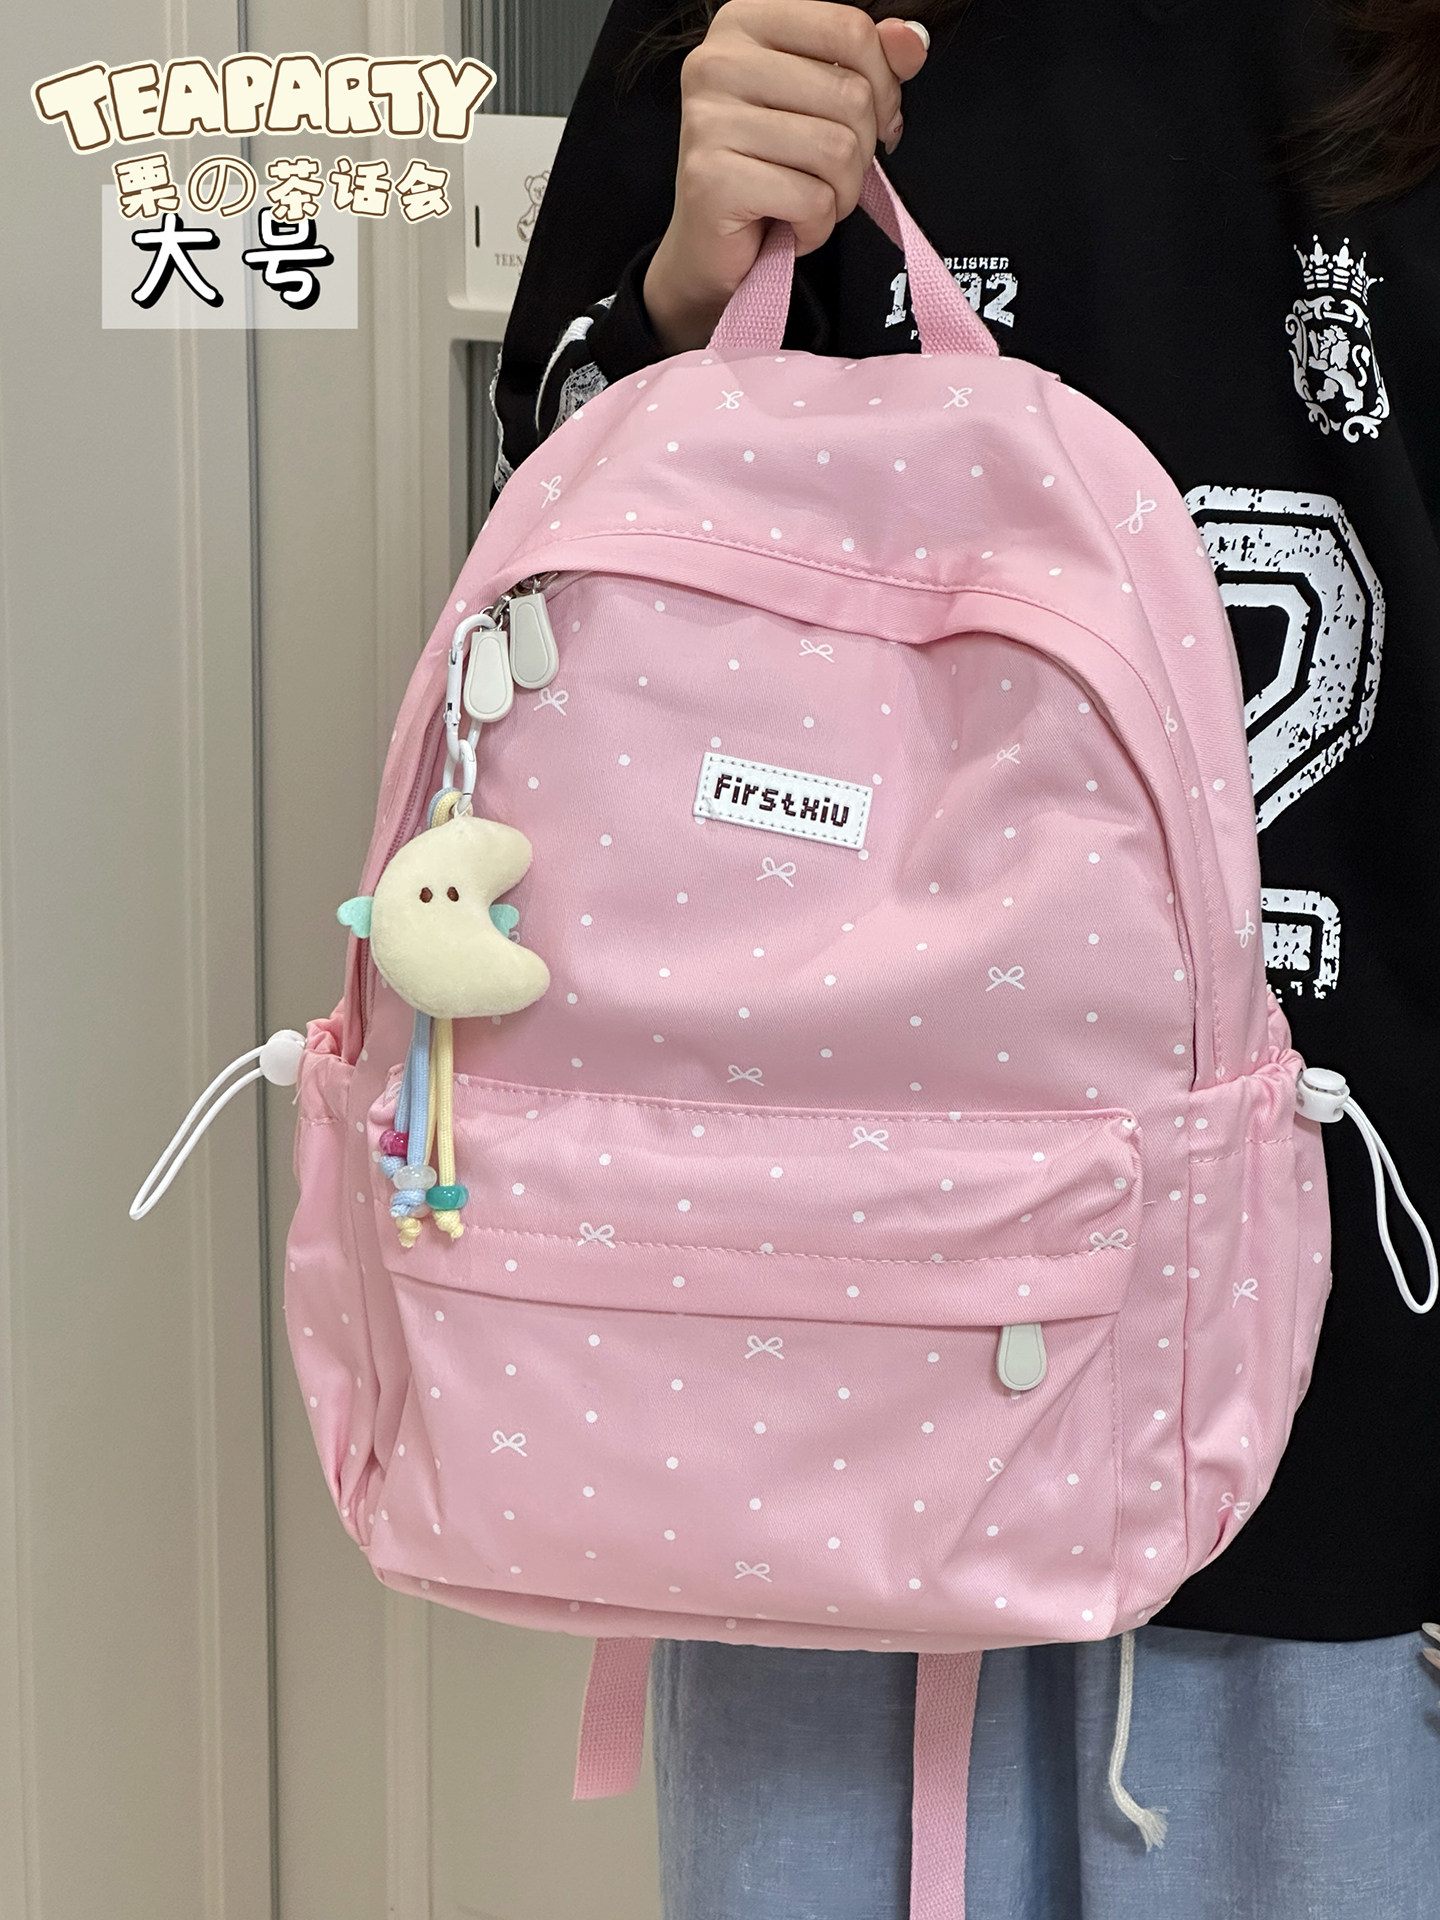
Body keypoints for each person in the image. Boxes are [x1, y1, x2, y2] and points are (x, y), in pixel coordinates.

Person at [492, 3, 1440, 1914]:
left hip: (1359, 1378)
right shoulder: (756, 20)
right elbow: (553, 638)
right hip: (816, 1347)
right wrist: (680, 302)